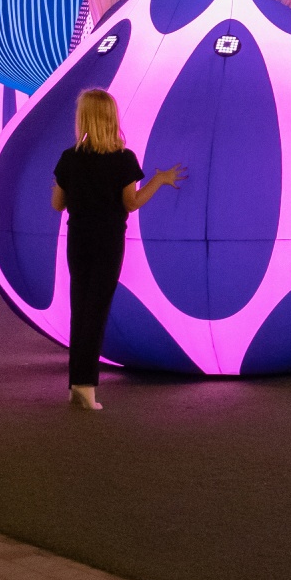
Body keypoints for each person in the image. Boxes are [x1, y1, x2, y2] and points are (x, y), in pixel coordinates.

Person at [51, 90, 185, 410]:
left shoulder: (70, 158)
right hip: (108, 241)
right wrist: (160, 180)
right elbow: (132, 203)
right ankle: (85, 388)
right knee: (96, 312)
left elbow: (57, 203)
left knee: (80, 309)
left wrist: (72, 186)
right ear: (112, 118)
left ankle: (76, 384)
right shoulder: (123, 159)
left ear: (82, 118)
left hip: (78, 239)